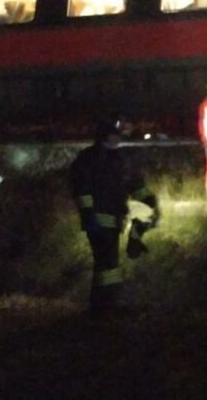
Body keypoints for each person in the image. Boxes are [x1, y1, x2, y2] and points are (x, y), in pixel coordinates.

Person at [69, 116, 160, 314]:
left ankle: (102, 304)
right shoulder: (92, 160)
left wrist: (149, 201)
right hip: (99, 220)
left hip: (109, 219)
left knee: (107, 264)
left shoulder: (112, 159)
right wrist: (89, 214)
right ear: (107, 136)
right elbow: (82, 190)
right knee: (107, 264)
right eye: (115, 135)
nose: (118, 139)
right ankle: (106, 305)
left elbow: (133, 184)